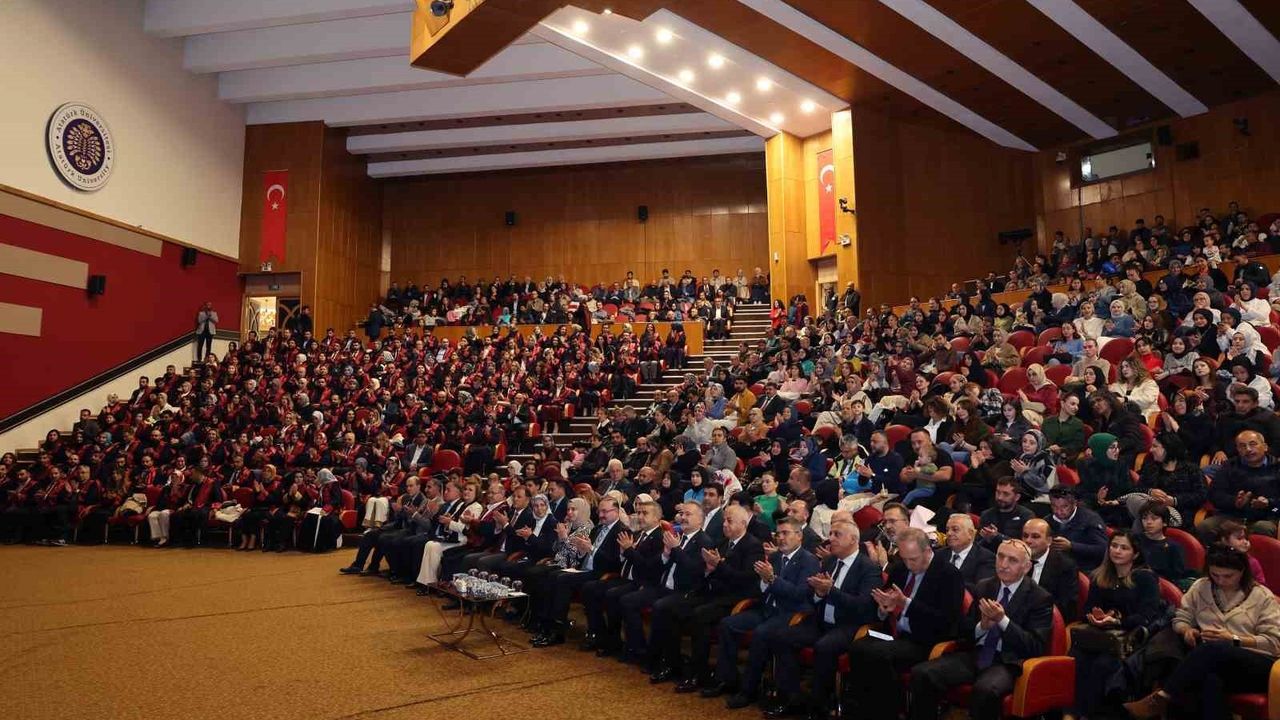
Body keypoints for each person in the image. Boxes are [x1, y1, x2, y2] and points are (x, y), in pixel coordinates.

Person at [908, 539, 1056, 720]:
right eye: (1000, 557)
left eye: (1012, 560)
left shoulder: (1040, 597)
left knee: (985, 690)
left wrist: (1003, 621)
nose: (1003, 564)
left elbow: (1034, 646)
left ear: (1026, 568)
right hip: (975, 654)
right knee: (922, 674)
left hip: (1007, 661)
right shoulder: (984, 586)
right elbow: (961, 630)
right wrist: (981, 627)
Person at [1125, 548, 1280, 720]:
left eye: (1228, 576)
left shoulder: (1262, 596)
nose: (1220, 580)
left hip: (1259, 662)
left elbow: (1272, 642)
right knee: (1210, 680)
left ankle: (1163, 697)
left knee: (1216, 649)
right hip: (1213, 661)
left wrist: (1234, 639)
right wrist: (1186, 631)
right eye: (1215, 575)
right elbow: (1181, 618)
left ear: (1242, 572)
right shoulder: (1201, 587)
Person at [841, 528, 966, 720]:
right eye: (904, 558)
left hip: (923, 639)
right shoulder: (899, 568)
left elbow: (946, 620)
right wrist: (883, 609)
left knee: (879, 654)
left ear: (927, 551)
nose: (908, 564)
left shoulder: (948, 574)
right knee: (858, 647)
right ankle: (864, 710)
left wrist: (906, 603)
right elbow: (883, 600)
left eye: (913, 559)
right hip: (891, 633)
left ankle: (889, 711)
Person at [764, 519, 881, 719]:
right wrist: (819, 593)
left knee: (824, 647)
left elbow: (863, 606)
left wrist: (830, 591)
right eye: (831, 533)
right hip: (821, 621)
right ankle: (792, 698)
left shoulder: (868, 568)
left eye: (837, 535)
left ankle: (819, 706)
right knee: (782, 637)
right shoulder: (829, 561)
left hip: (850, 625)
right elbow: (813, 596)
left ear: (854, 539)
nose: (830, 539)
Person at [717, 517, 821, 707]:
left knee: (761, 633)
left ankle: (748, 690)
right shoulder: (774, 557)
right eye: (777, 534)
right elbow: (760, 589)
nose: (780, 538)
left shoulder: (809, 561)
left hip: (791, 614)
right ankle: (728, 679)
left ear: (799, 536)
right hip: (766, 609)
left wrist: (772, 579)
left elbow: (799, 594)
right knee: (728, 624)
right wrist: (765, 582)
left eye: (785, 533)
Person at [1067, 530, 1163, 720]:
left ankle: (1091, 715)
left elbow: (1147, 617)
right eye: (1114, 546)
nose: (1117, 551)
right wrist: (1094, 618)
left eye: (1124, 548)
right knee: (1076, 658)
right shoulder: (1099, 576)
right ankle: (1071, 712)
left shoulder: (1145, 578)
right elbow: (1087, 609)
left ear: (1135, 554)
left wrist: (1117, 620)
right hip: (1101, 635)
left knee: (1102, 665)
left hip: (1131, 640)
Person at [673, 504, 766, 692]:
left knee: (701, 614)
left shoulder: (752, 546)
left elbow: (746, 580)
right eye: (724, 520)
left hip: (738, 600)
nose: (724, 524)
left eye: (729, 521)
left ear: (743, 523)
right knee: (680, 608)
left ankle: (702, 673)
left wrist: (718, 566)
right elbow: (711, 572)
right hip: (716, 594)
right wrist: (709, 570)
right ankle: (689, 667)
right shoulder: (723, 543)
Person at [581, 499, 665, 657]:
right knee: (592, 588)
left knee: (614, 595)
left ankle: (631, 646)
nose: (640, 517)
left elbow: (648, 568)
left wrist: (628, 550)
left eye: (645, 513)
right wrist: (625, 552)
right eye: (639, 513)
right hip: (626, 578)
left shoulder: (659, 538)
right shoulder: (640, 534)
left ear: (656, 518)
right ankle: (605, 637)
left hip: (642, 583)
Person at [1201, 429, 1280, 539]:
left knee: (1262, 528)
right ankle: (1219, 556)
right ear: (1238, 449)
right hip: (1233, 515)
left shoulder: (1277, 467)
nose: (1248, 449)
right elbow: (1214, 494)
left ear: (1265, 447)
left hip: (1267, 516)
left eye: (1253, 444)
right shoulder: (1229, 466)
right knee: (1206, 526)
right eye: (1242, 446)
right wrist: (1235, 502)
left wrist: (1269, 503)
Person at [1023, 518, 1080, 622]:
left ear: (1049, 541)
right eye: (1025, 536)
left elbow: (1066, 607)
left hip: (1048, 621)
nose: (1028, 541)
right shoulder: (1017, 560)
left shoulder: (1065, 566)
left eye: (1035, 536)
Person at [1047, 486, 1110, 571]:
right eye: (1054, 506)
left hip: (1085, 568)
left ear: (1075, 503)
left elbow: (1103, 550)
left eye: (1064, 507)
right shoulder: (1047, 521)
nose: (1058, 511)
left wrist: (1072, 546)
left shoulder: (1090, 520)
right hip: (1056, 567)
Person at [936, 513, 996, 593]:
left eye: (955, 529)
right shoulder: (939, 555)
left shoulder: (986, 558)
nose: (949, 533)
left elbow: (980, 590)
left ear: (970, 534)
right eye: (947, 530)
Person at [978, 477, 1035, 551]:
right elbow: (977, 546)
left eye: (1006, 494)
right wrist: (985, 539)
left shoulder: (1026, 516)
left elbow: (1025, 545)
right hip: (989, 557)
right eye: (998, 492)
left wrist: (997, 537)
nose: (1000, 497)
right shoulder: (987, 515)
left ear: (1017, 497)